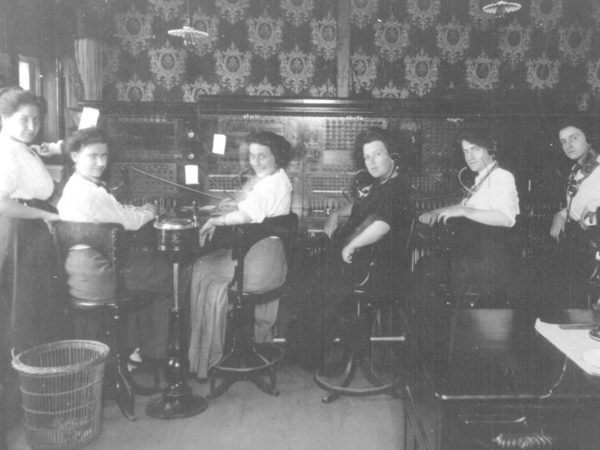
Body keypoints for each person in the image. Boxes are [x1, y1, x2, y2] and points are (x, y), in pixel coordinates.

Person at [56, 127, 171, 360]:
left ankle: (134, 350)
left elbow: (116, 212)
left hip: (82, 271)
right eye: (93, 156)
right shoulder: (90, 192)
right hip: (98, 274)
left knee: (151, 272)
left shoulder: (78, 185)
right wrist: (150, 211)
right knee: (170, 276)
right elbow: (130, 222)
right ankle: (151, 354)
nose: (100, 163)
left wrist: (137, 210)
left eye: (104, 156)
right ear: (75, 156)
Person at [188, 131, 292, 379]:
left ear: (276, 157)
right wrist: (235, 205)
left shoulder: (267, 184)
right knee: (212, 261)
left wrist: (216, 220)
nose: (256, 161)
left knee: (200, 266)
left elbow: (247, 215)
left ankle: (206, 358)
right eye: (252, 156)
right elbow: (255, 207)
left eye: (263, 156)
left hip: (255, 271)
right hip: (273, 267)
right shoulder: (280, 179)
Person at [310, 127, 412, 368]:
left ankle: (328, 356)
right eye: (367, 157)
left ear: (393, 155)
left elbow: (382, 225)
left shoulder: (398, 190)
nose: (372, 162)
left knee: (315, 284)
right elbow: (360, 206)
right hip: (363, 262)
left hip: (375, 270)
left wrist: (351, 245)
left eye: (377, 154)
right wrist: (336, 213)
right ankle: (339, 352)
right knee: (312, 274)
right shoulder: (381, 185)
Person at [0, 86, 61, 422]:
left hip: (31, 234)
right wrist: (45, 215)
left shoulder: (22, 148)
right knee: (24, 316)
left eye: (36, 120)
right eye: (23, 119)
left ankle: (40, 399)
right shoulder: (7, 152)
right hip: (20, 237)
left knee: (36, 313)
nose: (31, 126)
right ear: (4, 118)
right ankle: (26, 405)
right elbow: (2, 202)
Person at [417, 128, 520, 303]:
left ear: (491, 149)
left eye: (475, 149)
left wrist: (465, 212)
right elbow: (467, 206)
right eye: (466, 151)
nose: (470, 156)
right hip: (473, 253)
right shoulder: (481, 178)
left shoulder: (502, 176)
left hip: (488, 257)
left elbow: (506, 218)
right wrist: (436, 212)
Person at [548, 116, 600, 307]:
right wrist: (561, 215)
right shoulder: (576, 169)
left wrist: (595, 211)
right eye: (563, 141)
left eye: (574, 138)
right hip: (580, 242)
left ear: (589, 139)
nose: (568, 145)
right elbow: (578, 204)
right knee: (577, 303)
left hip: (596, 241)